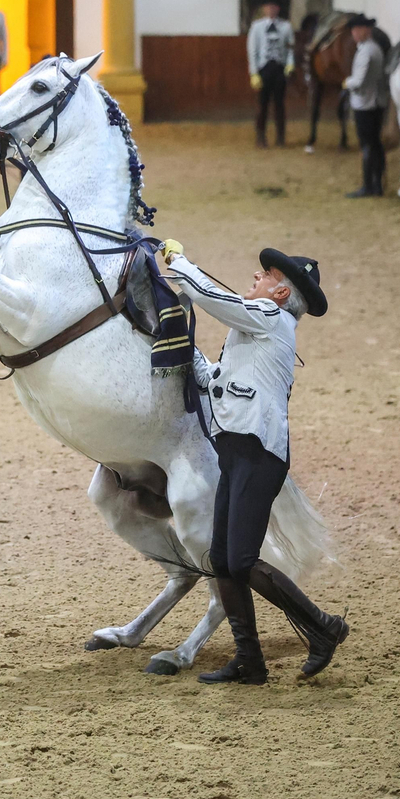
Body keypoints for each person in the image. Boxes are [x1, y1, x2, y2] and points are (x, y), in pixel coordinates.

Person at [154, 242, 346, 685]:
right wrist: (181, 339)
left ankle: (323, 627)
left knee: (239, 559)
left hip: (257, 455)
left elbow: (213, 297)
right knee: (223, 560)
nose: (255, 277)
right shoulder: (256, 331)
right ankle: (249, 661)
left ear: (281, 294)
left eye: (265, 276)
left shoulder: (270, 318)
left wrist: (180, 264)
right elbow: (213, 380)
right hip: (239, 453)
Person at [343, 15, 387, 198]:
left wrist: (346, 83)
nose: (354, 33)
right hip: (377, 101)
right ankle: (377, 184)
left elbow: (359, 81)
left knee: (367, 145)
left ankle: (368, 186)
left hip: (365, 103)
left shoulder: (365, 51)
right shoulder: (374, 48)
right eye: (353, 30)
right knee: (375, 143)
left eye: (357, 29)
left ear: (366, 30)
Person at [246, 1, 294, 149]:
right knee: (262, 104)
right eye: (268, 7)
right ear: (264, 9)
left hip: (279, 68)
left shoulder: (286, 26)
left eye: (274, 7)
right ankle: (260, 137)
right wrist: (254, 73)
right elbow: (252, 50)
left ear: (278, 9)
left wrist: (290, 64)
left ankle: (280, 137)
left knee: (279, 104)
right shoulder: (257, 27)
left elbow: (290, 48)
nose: (271, 10)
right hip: (264, 68)